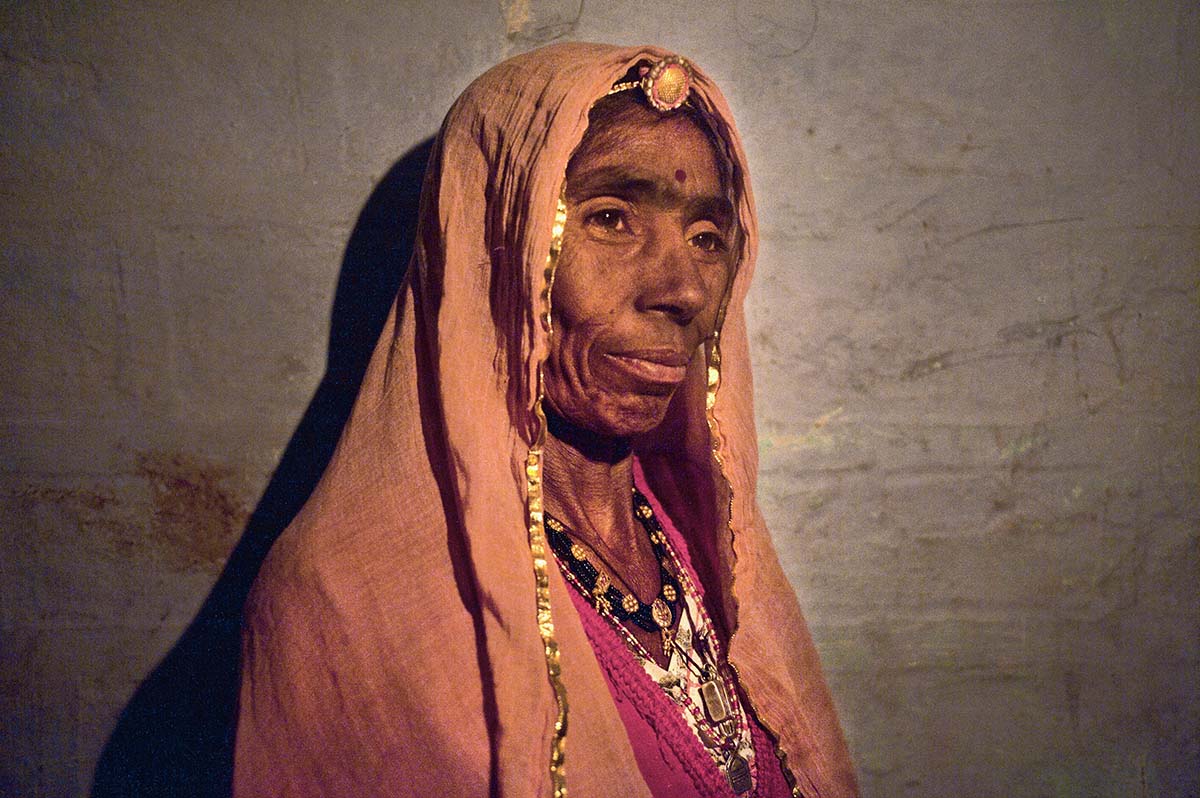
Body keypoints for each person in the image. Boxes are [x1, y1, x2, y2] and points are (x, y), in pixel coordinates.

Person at [233, 42, 858, 797]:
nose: (685, 291)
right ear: (495, 251)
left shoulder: (711, 551)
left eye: (706, 237)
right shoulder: (341, 604)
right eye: (611, 219)